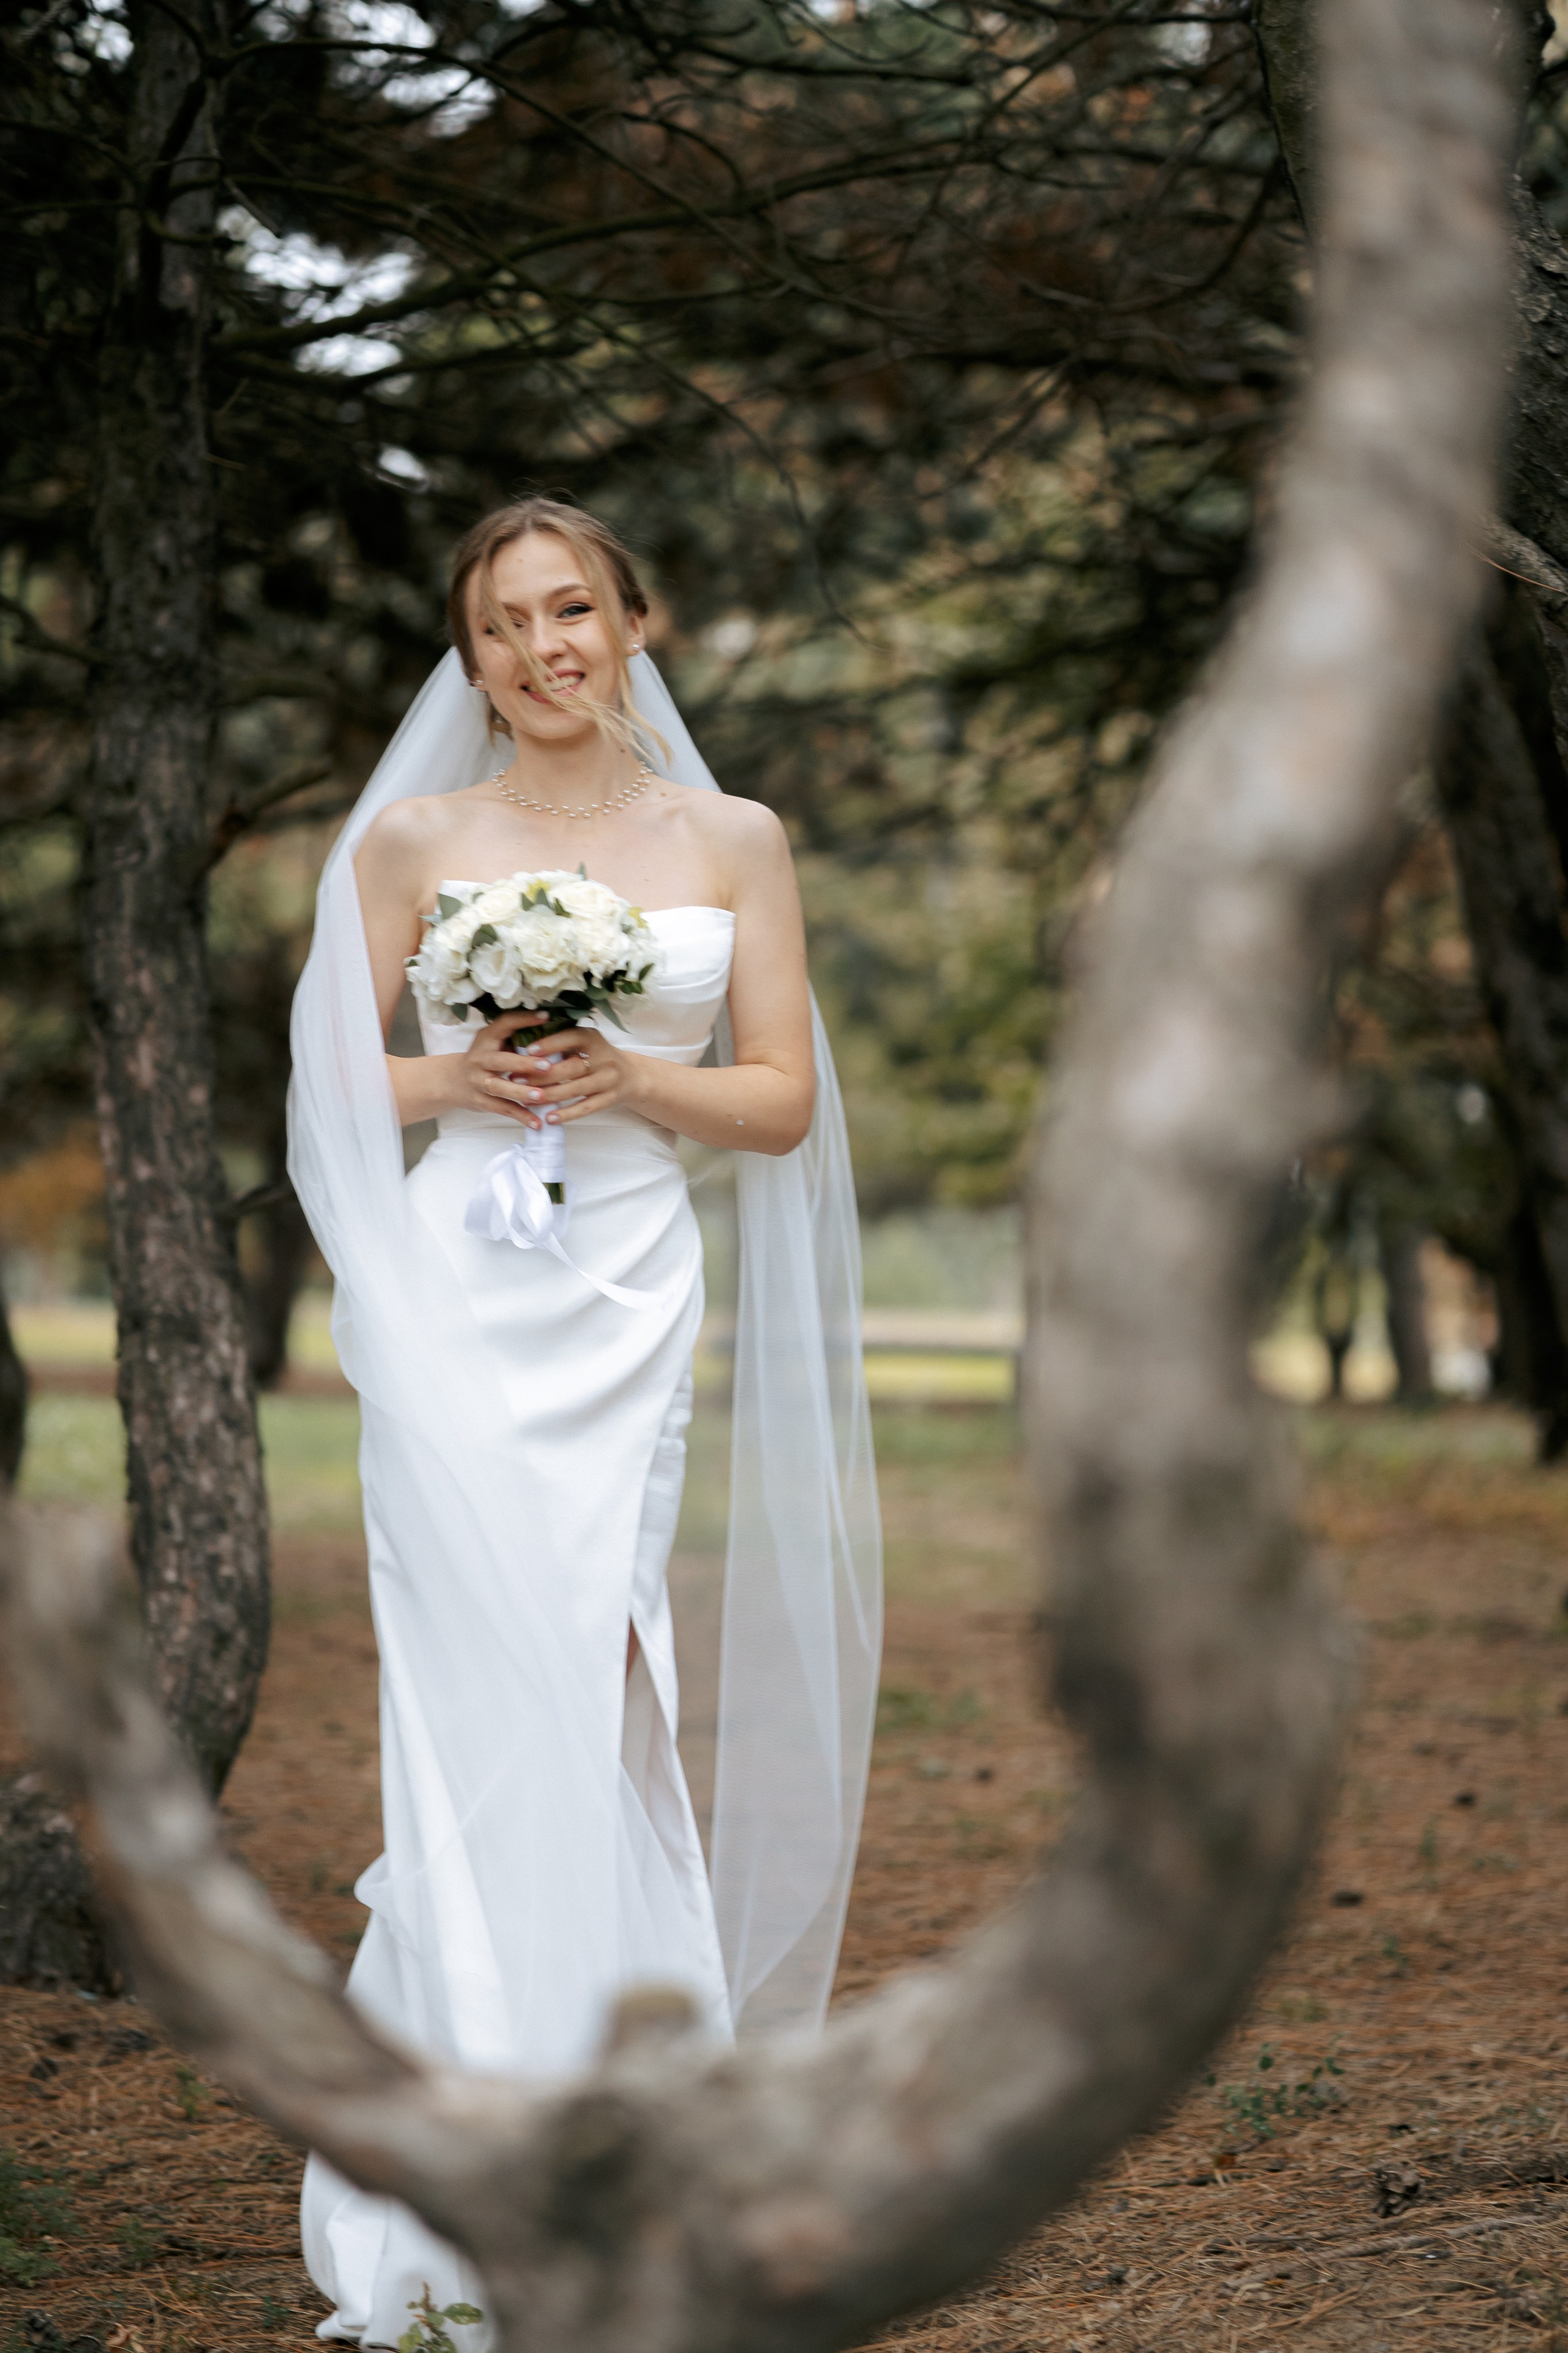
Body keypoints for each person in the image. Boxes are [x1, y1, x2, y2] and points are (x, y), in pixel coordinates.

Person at [287, 499, 882, 2347]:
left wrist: (636, 1077)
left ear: (637, 620)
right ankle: (452, 2197)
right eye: (500, 625)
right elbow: (326, 1072)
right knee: (470, 1694)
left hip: (626, 1290)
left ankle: (637, 2142)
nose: (540, 649)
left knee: (610, 1683)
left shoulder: (735, 839)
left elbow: (779, 1096)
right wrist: (456, 1068)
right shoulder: (414, 838)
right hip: (461, 1295)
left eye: (570, 611)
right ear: (468, 659)